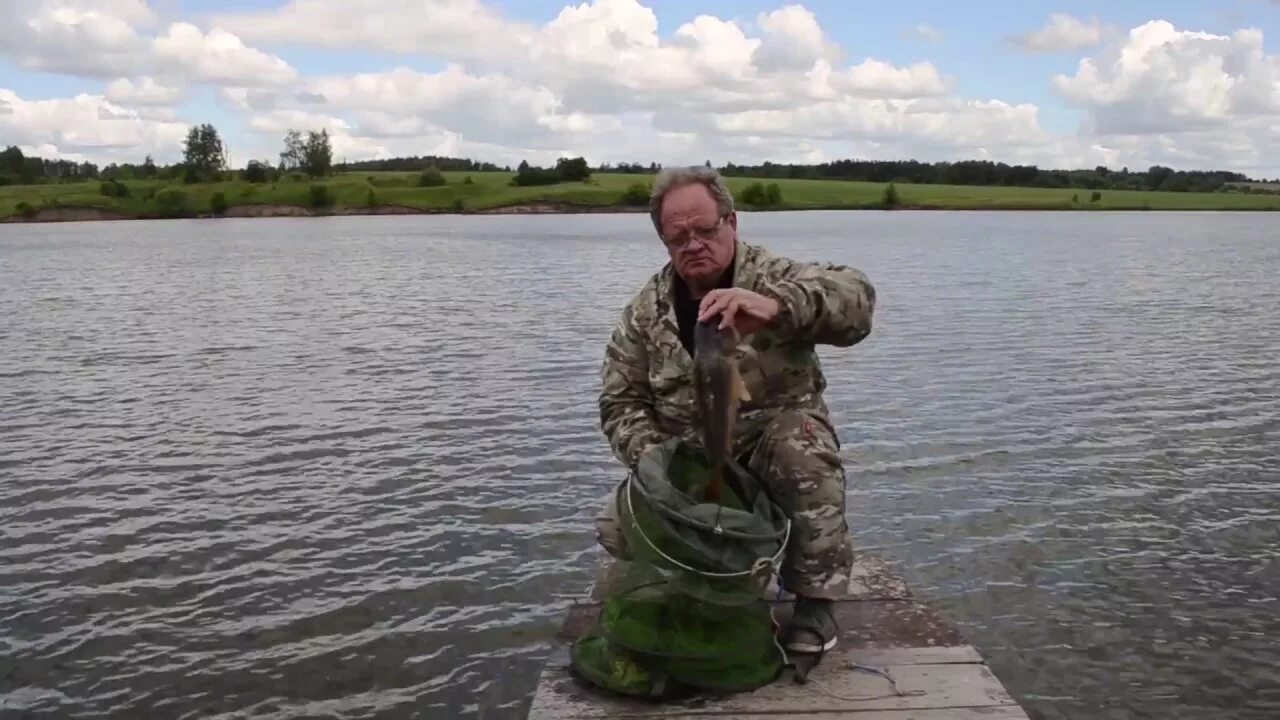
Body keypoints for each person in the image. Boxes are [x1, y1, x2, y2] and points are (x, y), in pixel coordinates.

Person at [594, 164, 876, 656]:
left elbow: (857, 302)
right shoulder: (644, 312)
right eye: (677, 236)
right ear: (664, 242)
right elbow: (620, 400)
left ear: (732, 222)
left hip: (773, 446)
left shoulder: (776, 278)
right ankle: (702, 580)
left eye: (705, 229)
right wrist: (658, 461)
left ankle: (813, 599)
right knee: (615, 526)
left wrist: (776, 307)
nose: (692, 244)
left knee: (801, 450)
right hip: (695, 456)